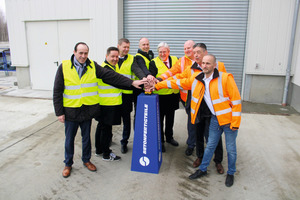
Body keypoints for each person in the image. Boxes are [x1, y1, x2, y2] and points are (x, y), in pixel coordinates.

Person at [53, 42, 146, 178]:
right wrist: (59, 112)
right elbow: (57, 91)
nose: (83, 56)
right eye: (81, 53)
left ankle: (86, 160)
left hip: (87, 109)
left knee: (86, 138)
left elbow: (111, 76)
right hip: (71, 110)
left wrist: (132, 82)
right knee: (69, 139)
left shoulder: (92, 66)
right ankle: (68, 164)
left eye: (86, 53)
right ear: (74, 52)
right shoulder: (64, 67)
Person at [155, 54, 241, 187]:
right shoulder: (196, 78)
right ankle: (203, 169)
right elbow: (178, 82)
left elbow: (236, 101)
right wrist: (157, 85)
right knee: (210, 145)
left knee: (231, 149)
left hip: (229, 121)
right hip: (214, 120)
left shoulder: (225, 78)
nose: (205, 66)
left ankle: (231, 173)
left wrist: (235, 123)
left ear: (214, 65)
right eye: (203, 63)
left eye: (208, 63)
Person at [176, 43, 226, 173]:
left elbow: (224, 85)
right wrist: (158, 81)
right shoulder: (191, 68)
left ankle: (218, 161)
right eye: (194, 52)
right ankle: (200, 156)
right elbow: (178, 79)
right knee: (198, 134)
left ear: (205, 52)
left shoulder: (218, 66)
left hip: (212, 108)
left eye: (198, 52)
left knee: (214, 136)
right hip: (197, 107)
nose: (196, 55)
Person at [156, 40, 197, 156]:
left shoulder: (201, 60)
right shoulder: (182, 61)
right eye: (185, 49)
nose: (187, 51)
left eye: (189, 48)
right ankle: (191, 144)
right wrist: (159, 80)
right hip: (186, 97)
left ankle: (196, 143)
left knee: (198, 122)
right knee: (192, 121)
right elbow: (171, 72)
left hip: (200, 97)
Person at [117, 38, 146, 154]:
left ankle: (124, 142)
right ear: (118, 46)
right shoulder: (112, 58)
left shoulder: (132, 59)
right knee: (112, 119)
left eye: (128, 47)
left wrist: (144, 78)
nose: (126, 49)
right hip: (114, 95)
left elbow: (137, 70)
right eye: (124, 47)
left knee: (127, 119)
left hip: (128, 94)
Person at [149, 42, 180, 152]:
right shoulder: (154, 62)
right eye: (160, 52)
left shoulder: (176, 59)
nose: (162, 54)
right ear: (158, 52)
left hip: (173, 94)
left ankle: (169, 137)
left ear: (169, 52)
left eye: (164, 52)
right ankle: (160, 141)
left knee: (170, 118)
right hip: (161, 96)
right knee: (160, 119)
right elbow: (152, 77)